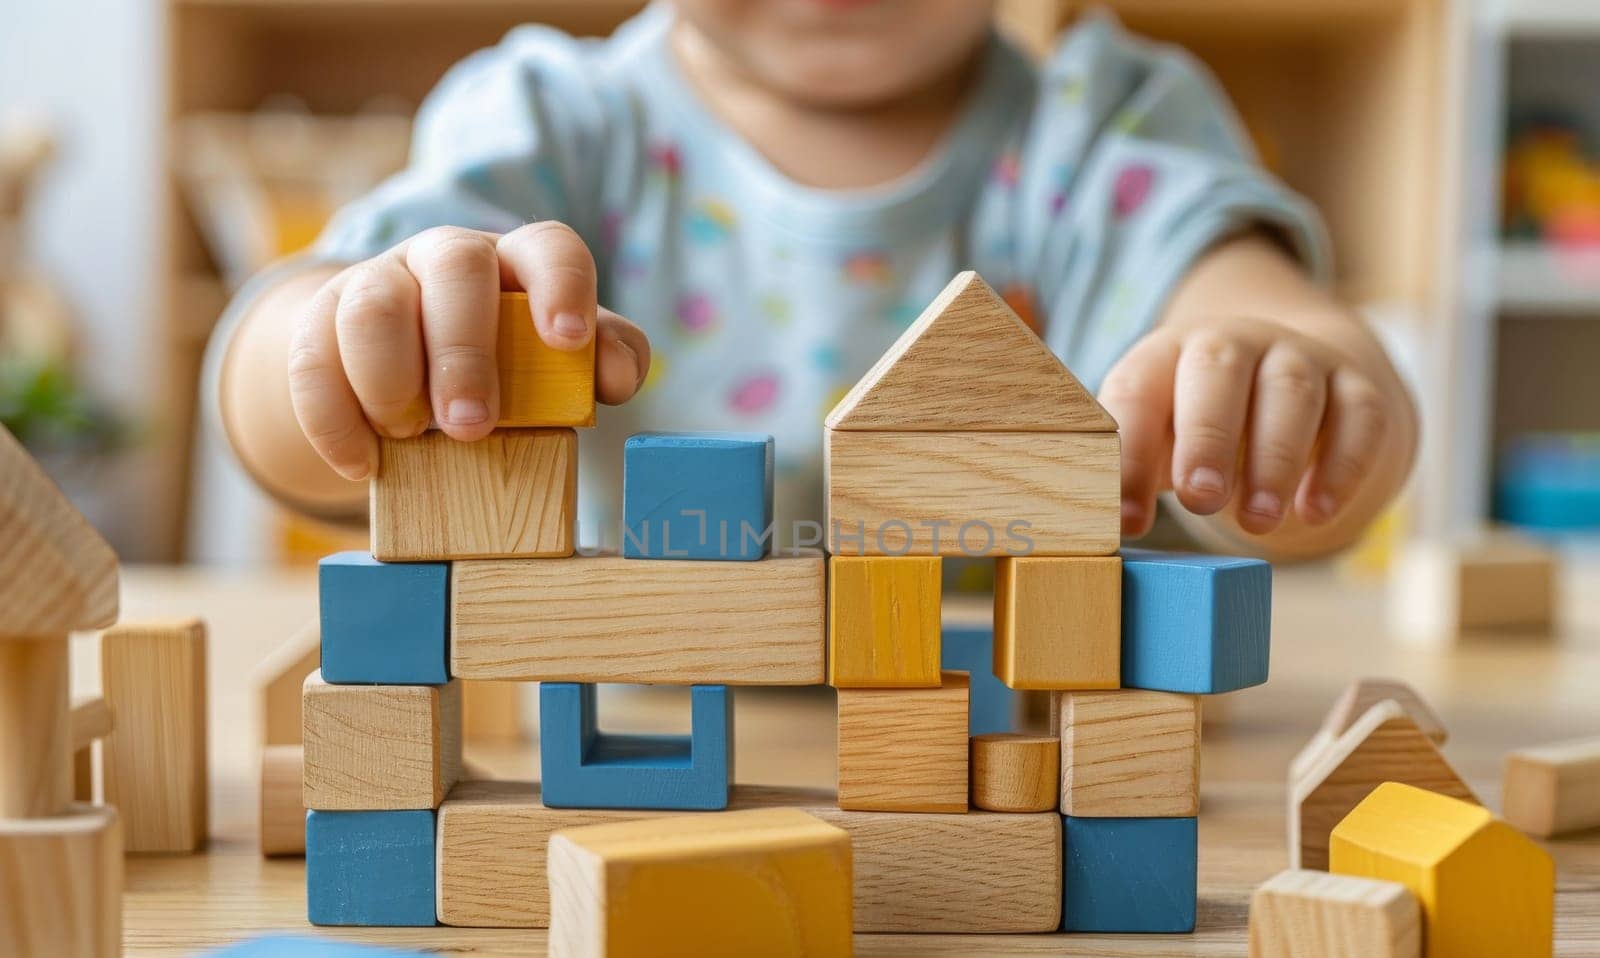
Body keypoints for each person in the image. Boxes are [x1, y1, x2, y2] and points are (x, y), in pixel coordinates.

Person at [213, 0, 1416, 560]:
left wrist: (1276, 375)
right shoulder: (550, 120)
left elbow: (1276, 323)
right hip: (638, 757)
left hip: (1031, 761)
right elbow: (283, 396)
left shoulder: (1102, 121)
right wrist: (333, 346)